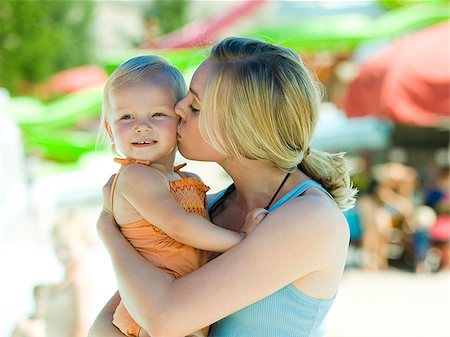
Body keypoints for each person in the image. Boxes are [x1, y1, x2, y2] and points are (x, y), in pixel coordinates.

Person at [90, 37, 357, 337]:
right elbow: (105, 325)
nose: (177, 108)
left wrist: (109, 233)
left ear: (236, 127)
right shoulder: (207, 210)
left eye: (195, 105)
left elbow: (165, 320)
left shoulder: (309, 219)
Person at [99, 55, 266, 337]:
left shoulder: (189, 181)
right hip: (152, 310)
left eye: (157, 115)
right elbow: (180, 226)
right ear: (109, 130)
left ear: (179, 121)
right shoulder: (137, 177)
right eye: (126, 117)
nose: (142, 126)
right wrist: (241, 241)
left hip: (181, 301)